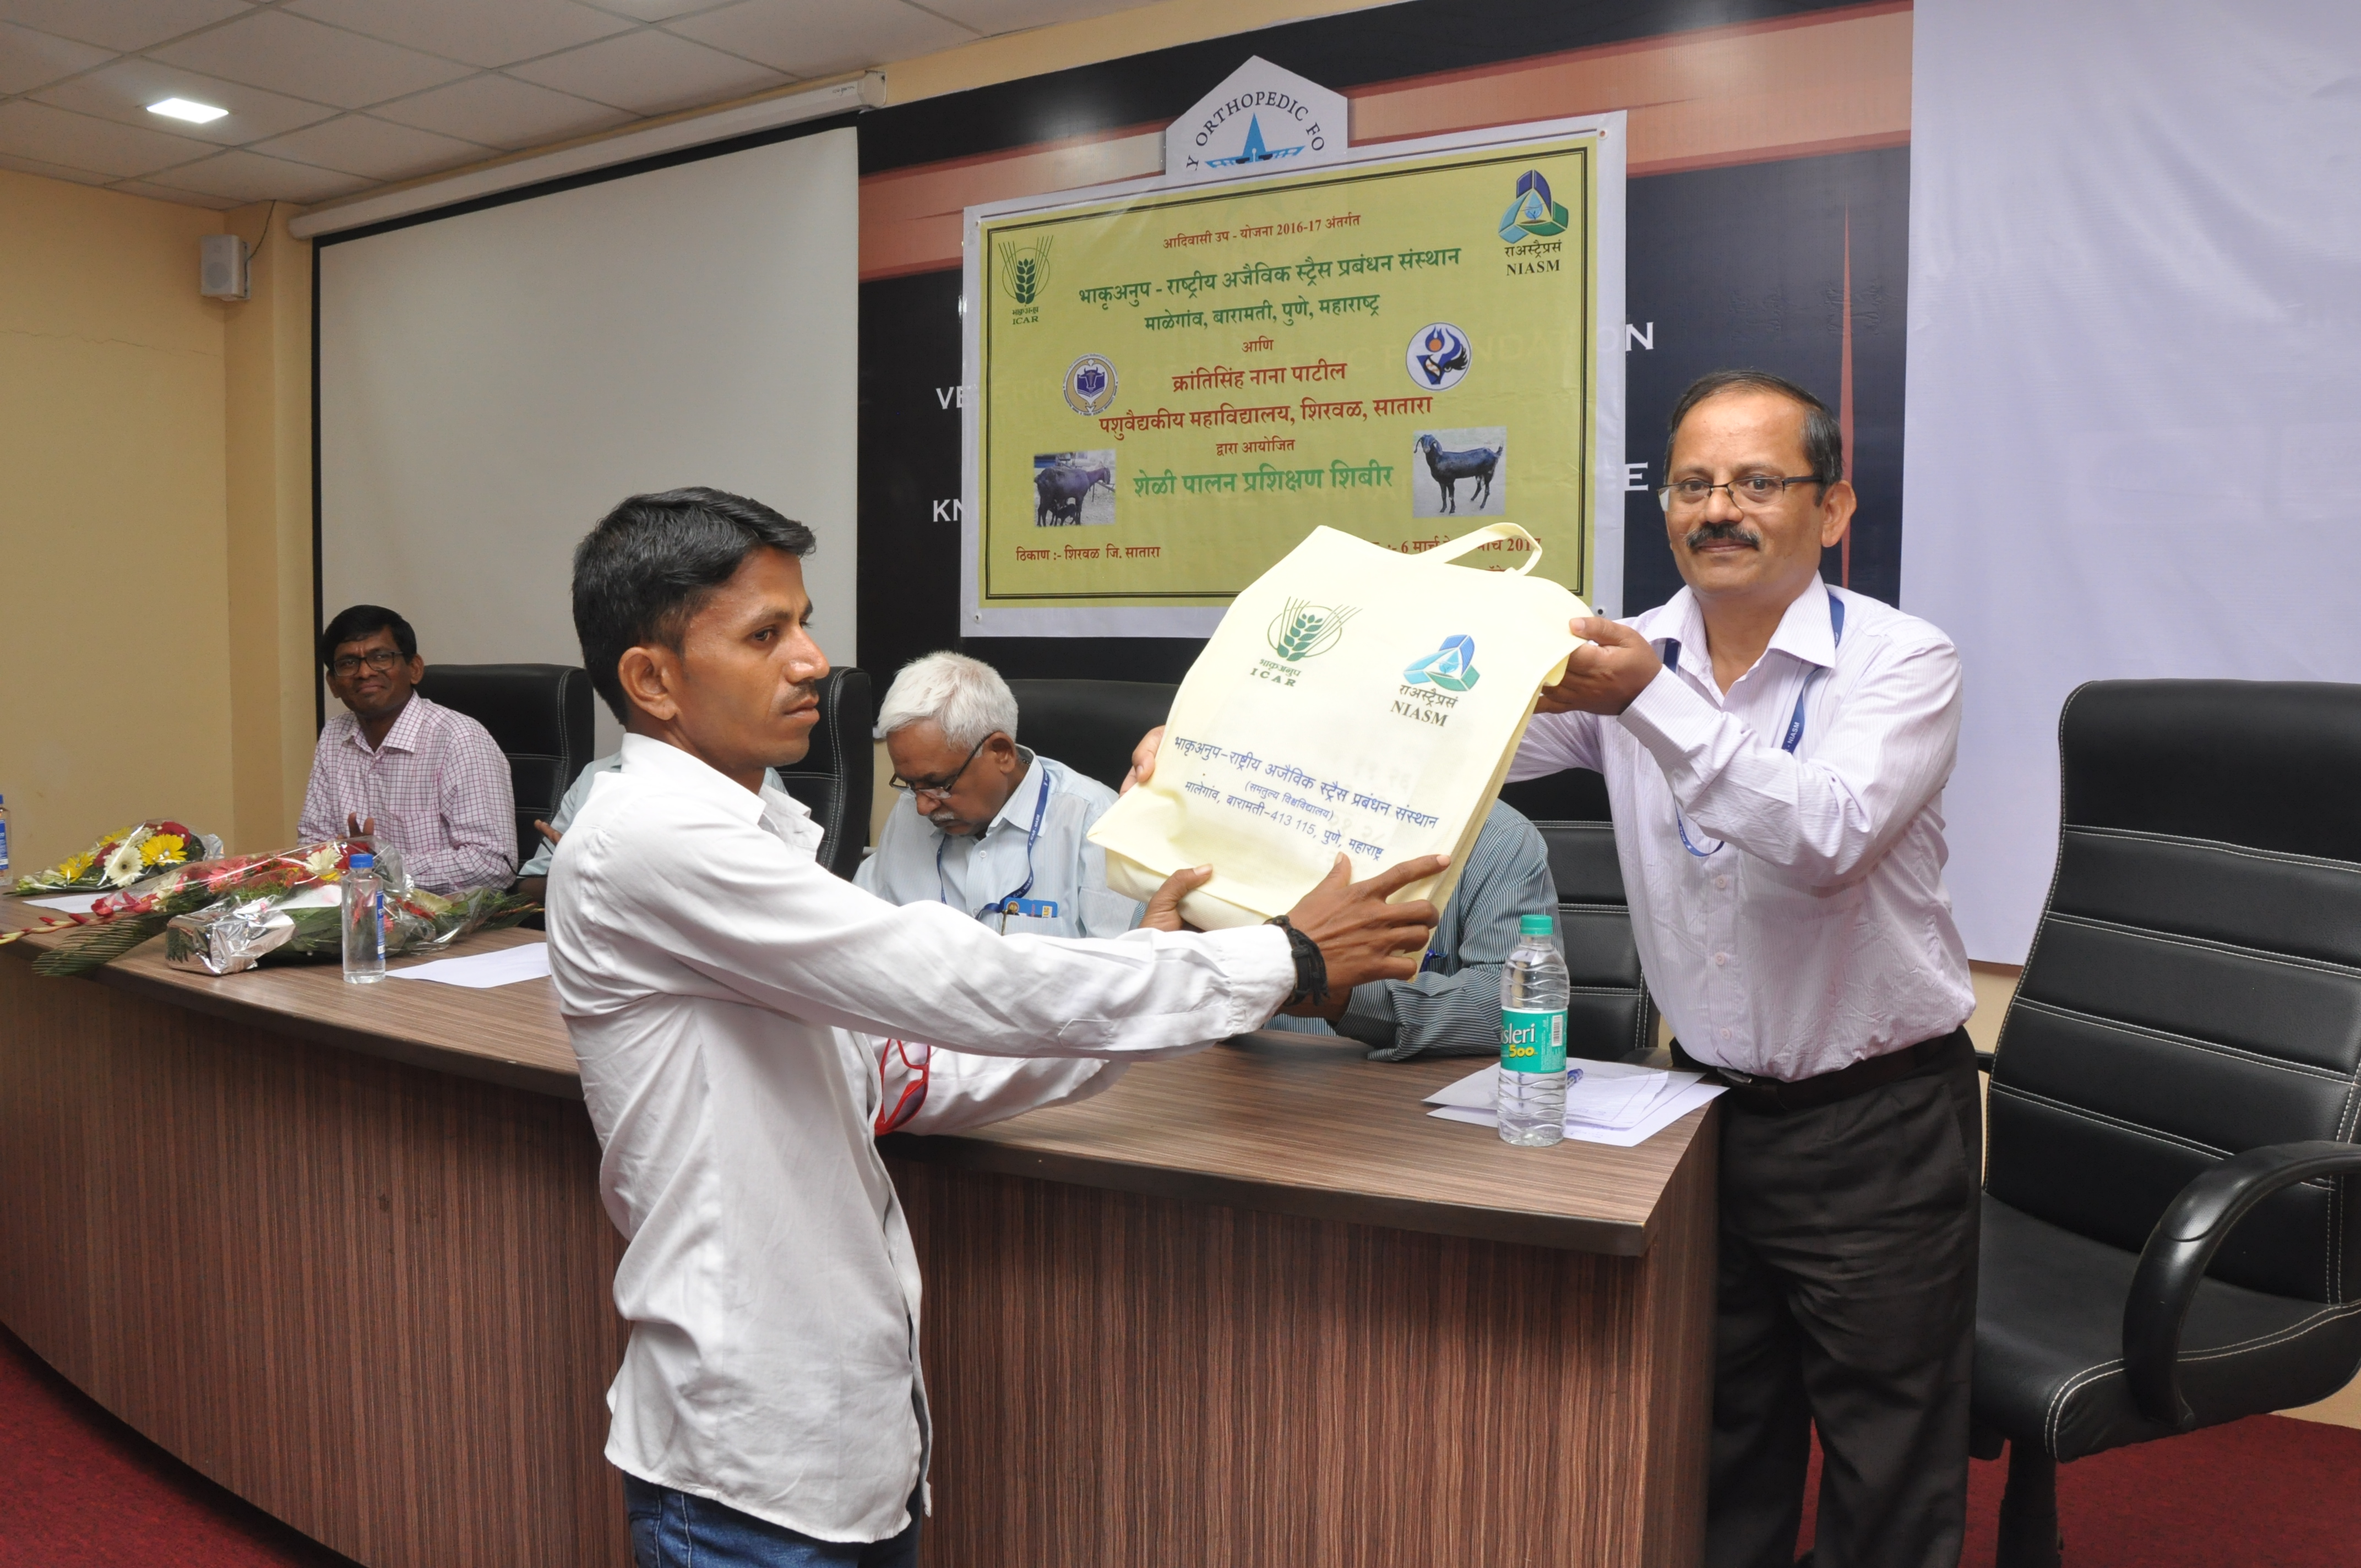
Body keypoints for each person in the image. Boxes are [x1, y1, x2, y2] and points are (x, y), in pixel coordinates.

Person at [1130, 368, 1977, 1568]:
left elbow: (1827, 833)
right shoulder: (1621, 661)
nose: (1717, 509)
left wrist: (1650, 701)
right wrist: (1210, 753)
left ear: (1829, 508)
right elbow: (1416, 748)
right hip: (1708, 1115)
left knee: (1885, 1465)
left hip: (1873, 1123)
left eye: (1755, 483)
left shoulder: (1900, 660)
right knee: (1720, 1436)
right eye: (1690, 485)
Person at [543, 487, 1442, 1568]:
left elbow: (892, 1073)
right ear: (652, 679)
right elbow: (947, 974)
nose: (813, 661)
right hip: (748, 1470)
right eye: (765, 634)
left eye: (804, 623)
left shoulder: (752, 829)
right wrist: (1280, 957)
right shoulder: (650, 838)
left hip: (846, 1445)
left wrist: (1151, 994)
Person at [857, 651, 1140, 938]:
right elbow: (864, 929)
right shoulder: (912, 806)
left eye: (939, 783)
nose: (922, 806)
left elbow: (1119, 960)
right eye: (910, 784)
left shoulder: (1097, 821)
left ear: (1001, 753)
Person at [1262, 798, 1561, 1058]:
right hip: (1248, 1070)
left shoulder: (1499, 835)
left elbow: (1520, 1006)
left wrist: (1338, 997)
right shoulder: (1256, 802)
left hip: (1401, 1091)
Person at [298, 604, 515, 895]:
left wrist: (379, 867)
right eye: (348, 663)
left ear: (414, 669)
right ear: (333, 684)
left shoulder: (459, 739)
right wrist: (356, 868)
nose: (364, 672)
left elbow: (492, 864)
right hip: (355, 909)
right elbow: (312, 845)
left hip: (445, 915)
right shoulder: (334, 736)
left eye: (380, 658)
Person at [514, 755, 785, 904]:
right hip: (595, 949)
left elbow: (776, 895)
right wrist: (572, 870)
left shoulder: (750, 777)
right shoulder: (594, 774)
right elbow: (527, 886)